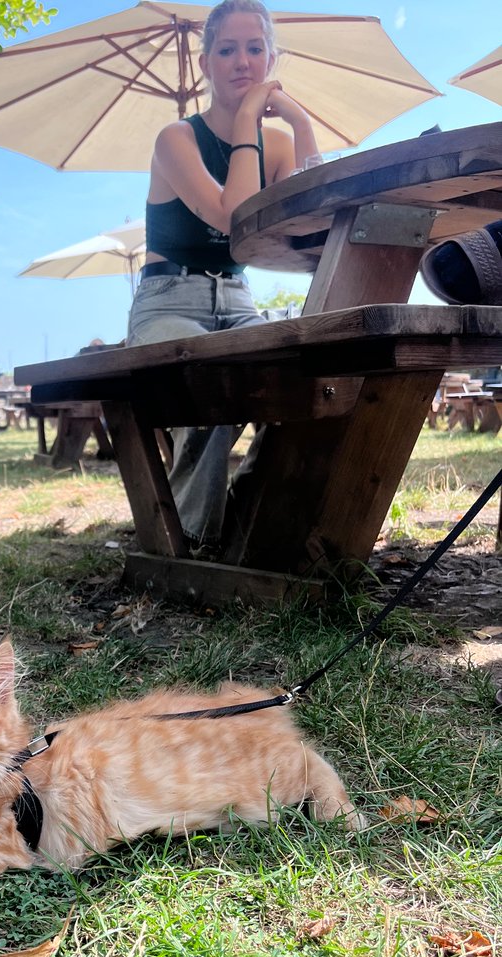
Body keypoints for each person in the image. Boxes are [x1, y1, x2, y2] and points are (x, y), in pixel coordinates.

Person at [126, 0, 317, 551]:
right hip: (168, 300)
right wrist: (248, 119)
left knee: (300, 380)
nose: (242, 62)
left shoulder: (278, 145)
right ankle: (194, 543)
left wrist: (300, 122)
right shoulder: (175, 140)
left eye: (255, 48)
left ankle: (250, 522)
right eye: (228, 50)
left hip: (237, 299)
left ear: (272, 56)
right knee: (209, 388)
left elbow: (313, 221)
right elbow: (233, 218)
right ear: (206, 62)